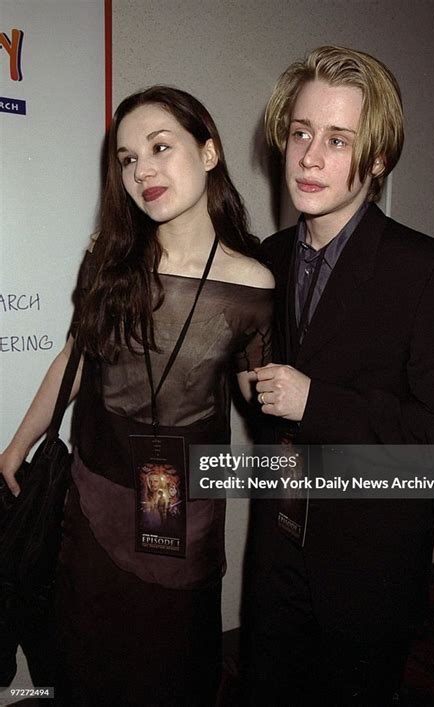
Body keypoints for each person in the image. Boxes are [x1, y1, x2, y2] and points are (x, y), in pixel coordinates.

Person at [0, 86, 273, 705]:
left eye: (159, 147)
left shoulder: (252, 282)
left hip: (176, 499)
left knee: (166, 663)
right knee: (84, 657)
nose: (141, 170)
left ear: (208, 153)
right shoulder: (109, 262)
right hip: (95, 491)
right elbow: (72, 359)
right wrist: (15, 447)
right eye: (126, 159)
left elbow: (257, 400)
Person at [242, 46, 434, 705]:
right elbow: (271, 398)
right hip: (275, 554)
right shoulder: (272, 256)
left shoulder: (432, 272)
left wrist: (316, 402)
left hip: (364, 572)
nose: (310, 157)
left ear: (375, 158)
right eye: (301, 132)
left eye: (338, 140)